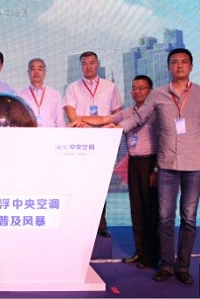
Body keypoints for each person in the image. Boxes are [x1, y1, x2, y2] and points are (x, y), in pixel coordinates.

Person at [116, 48, 200, 285]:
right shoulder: (158, 94)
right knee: (164, 218)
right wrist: (114, 129)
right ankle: (166, 265)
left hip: (195, 164)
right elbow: (138, 117)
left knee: (189, 218)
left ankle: (182, 267)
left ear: (191, 67)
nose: (179, 65)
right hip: (166, 165)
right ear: (168, 67)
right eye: (174, 62)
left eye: (184, 62)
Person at [71, 75, 159, 268]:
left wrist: (157, 168)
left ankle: (153, 255)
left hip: (150, 162)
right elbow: (104, 119)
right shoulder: (128, 112)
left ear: (150, 91)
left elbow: (163, 140)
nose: (137, 91)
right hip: (133, 162)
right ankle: (140, 252)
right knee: (136, 209)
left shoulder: (155, 112)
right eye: (134, 87)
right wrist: (81, 118)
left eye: (142, 88)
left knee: (150, 210)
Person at [64, 51, 122, 238]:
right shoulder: (73, 87)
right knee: (80, 183)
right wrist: (78, 122)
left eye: (91, 63)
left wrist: (110, 123)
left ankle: (100, 225)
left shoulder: (110, 86)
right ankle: (79, 225)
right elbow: (69, 110)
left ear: (98, 64)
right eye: (84, 63)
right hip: (80, 141)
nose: (88, 66)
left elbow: (117, 111)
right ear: (80, 66)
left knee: (100, 183)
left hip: (103, 141)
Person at [16, 57, 64, 127]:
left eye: (40, 69)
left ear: (45, 72)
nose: (36, 72)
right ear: (28, 72)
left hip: (50, 133)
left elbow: (60, 120)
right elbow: (17, 119)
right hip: (28, 132)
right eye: (33, 69)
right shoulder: (19, 95)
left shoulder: (55, 94)